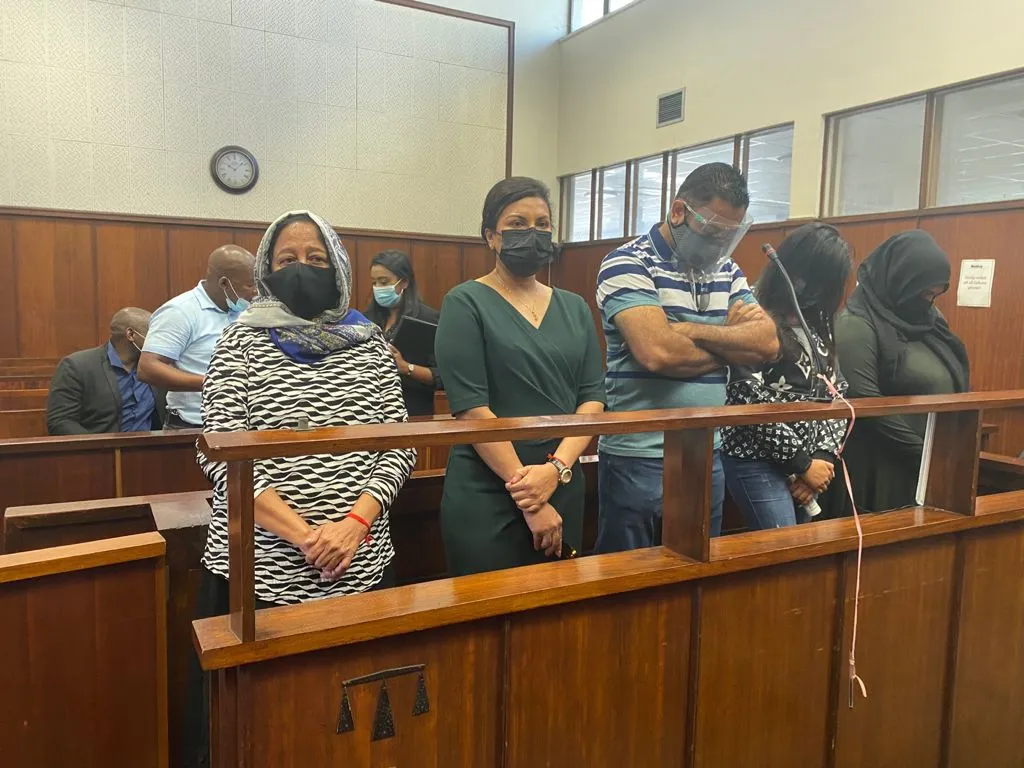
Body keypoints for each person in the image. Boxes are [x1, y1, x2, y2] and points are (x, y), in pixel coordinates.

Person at [185, 211, 415, 768]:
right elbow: (221, 456)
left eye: (316, 259)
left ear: (338, 267)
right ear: (265, 269)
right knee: (258, 728)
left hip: (357, 564)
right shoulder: (238, 343)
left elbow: (398, 446)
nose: (302, 270)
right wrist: (307, 536)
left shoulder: (370, 344)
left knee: (349, 726)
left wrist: (353, 526)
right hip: (257, 571)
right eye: (286, 260)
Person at [594, 162, 778, 552]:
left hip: (705, 454)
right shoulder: (628, 262)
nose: (719, 247)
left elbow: (767, 345)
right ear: (678, 212)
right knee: (629, 583)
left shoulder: (726, 269)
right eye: (713, 233)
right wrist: (732, 343)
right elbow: (658, 352)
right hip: (638, 457)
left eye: (730, 237)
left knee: (695, 578)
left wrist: (689, 330)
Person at [434, 177, 606, 575]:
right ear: (491, 237)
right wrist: (530, 496)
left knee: (556, 615)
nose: (533, 233)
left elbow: (592, 397)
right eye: (517, 223)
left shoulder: (575, 307)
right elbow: (471, 409)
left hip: (561, 481)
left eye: (543, 224)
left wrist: (556, 471)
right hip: (488, 487)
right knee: (486, 617)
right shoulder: (465, 302)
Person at [720, 223, 853, 529]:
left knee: (800, 557)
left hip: (809, 465)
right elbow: (746, 396)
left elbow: (838, 393)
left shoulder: (819, 323)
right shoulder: (752, 314)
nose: (817, 291)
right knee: (783, 549)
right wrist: (802, 464)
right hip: (755, 458)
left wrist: (822, 458)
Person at [836, 230, 970, 512]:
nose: (928, 302)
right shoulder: (856, 325)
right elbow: (864, 403)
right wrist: (924, 454)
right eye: (923, 293)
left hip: (931, 465)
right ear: (898, 281)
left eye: (935, 295)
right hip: (882, 469)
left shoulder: (929, 319)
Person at [137, 245, 256, 429]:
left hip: (241, 423)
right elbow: (148, 367)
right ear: (224, 283)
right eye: (249, 285)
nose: (255, 291)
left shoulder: (247, 311)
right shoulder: (180, 311)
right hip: (192, 425)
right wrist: (212, 382)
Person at [46, 307, 165, 435]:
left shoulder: (157, 367)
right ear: (131, 335)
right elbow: (60, 421)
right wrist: (98, 448)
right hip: (99, 450)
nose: (160, 341)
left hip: (149, 450)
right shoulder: (77, 366)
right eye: (154, 334)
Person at [365, 249, 442, 417]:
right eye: (374, 282)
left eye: (384, 281)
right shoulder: (366, 319)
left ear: (404, 282)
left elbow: (443, 376)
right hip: (373, 411)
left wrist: (406, 367)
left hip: (413, 411)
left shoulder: (427, 319)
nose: (378, 288)